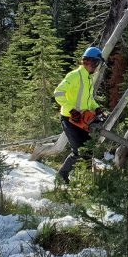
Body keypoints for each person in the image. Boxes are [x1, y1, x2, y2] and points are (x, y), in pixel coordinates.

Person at [53, 46, 105, 184]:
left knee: (88, 150)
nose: (97, 67)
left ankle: (87, 181)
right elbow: (58, 93)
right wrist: (71, 110)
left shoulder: (88, 78)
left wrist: (97, 108)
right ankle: (61, 176)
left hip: (82, 120)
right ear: (91, 62)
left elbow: (89, 99)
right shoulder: (74, 76)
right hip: (69, 119)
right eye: (97, 63)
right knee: (78, 151)